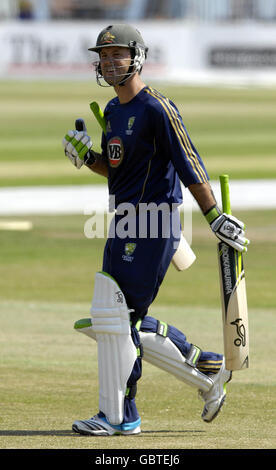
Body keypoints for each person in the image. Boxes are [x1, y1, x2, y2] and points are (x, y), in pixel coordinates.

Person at [62, 24, 249, 436]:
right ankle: (206, 368)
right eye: (104, 56)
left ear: (138, 57)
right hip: (124, 220)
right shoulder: (112, 112)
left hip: (156, 222)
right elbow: (116, 172)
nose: (109, 63)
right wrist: (86, 156)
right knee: (118, 318)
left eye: (118, 55)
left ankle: (119, 416)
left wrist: (214, 215)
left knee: (116, 317)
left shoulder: (157, 108)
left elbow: (188, 161)